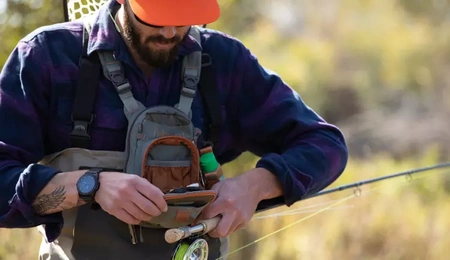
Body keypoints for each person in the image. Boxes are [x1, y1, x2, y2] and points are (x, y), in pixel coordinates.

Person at [0, 0, 349, 259]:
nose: (170, 33)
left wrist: (256, 185)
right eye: (158, 17)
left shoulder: (225, 62)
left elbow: (325, 144)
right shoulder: (46, 57)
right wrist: (90, 185)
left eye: (183, 17)